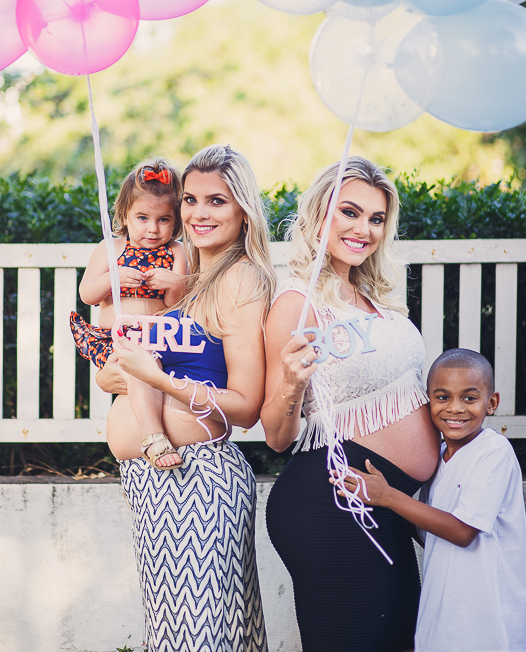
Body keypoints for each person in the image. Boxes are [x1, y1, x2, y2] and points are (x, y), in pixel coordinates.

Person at [97, 144, 276, 652]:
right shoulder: (186, 276)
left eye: (216, 201)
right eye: (191, 200)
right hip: (156, 482)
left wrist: (157, 379)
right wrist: (122, 372)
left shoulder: (241, 279)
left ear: (243, 209)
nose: (198, 213)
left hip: (195, 481)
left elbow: (244, 405)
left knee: (194, 640)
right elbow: (122, 373)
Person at [261, 156, 441, 652]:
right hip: (333, 505)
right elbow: (277, 436)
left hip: (387, 506)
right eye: (350, 212)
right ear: (321, 214)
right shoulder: (297, 303)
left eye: (376, 218)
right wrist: (292, 384)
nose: (364, 229)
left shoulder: (373, 297)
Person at [339, 348, 526, 652]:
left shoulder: (494, 453)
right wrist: (373, 498)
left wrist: (388, 496)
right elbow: (432, 533)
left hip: (486, 620)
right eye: (442, 397)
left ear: (491, 403)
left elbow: (462, 532)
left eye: (469, 398)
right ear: (427, 402)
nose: (455, 408)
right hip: (445, 615)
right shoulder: (436, 457)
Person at [70, 158, 187, 470]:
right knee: (139, 362)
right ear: (124, 214)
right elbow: (87, 294)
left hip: (160, 339)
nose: (152, 228)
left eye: (164, 219)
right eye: (143, 217)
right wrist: (113, 278)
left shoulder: (177, 252)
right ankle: (154, 437)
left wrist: (172, 281)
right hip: (116, 338)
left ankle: (153, 434)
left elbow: (178, 305)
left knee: (146, 361)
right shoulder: (110, 249)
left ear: (176, 220)